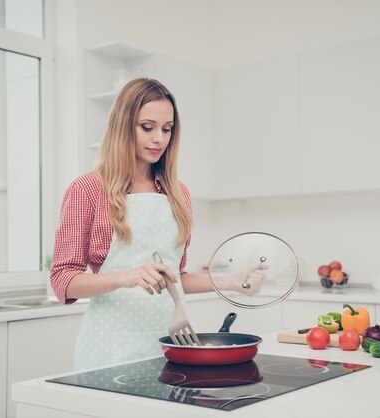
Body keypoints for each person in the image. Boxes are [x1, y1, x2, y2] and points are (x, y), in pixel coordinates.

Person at [50, 78, 266, 371]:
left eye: (167, 129)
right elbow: (63, 280)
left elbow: (175, 278)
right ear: (123, 125)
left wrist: (231, 283)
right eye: (147, 127)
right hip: (109, 348)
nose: (159, 139)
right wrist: (128, 277)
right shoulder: (87, 189)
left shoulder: (178, 193)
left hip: (173, 345)